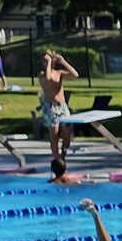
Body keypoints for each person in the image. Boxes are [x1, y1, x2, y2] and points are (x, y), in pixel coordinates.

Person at [38, 49, 80, 182]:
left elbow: (75, 75)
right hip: (50, 107)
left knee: (67, 135)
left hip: (63, 107)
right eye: (45, 60)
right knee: (54, 136)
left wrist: (63, 62)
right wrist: (49, 61)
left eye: (49, 59)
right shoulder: (42, 74)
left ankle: (62, 159)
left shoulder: (60, 73)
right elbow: (49, 78)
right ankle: (59, 166)